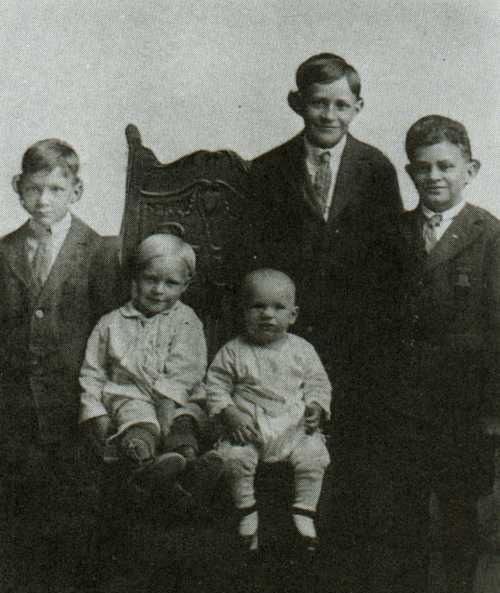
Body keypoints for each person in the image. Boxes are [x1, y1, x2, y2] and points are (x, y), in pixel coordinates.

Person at [364, 115, 500, 593]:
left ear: (471, 169)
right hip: (402, 404)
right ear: (409, 173)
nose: (435, 176)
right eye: (423, 168)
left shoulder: (490, 235)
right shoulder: (392, 234)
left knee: (460, 518)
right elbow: (376, 321)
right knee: (404, 516)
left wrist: (493, 411)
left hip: (462, 407)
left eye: (446, 166)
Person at [0, 138, 121, 593]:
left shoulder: (98, 251)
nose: (43, 200)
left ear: (77, 191)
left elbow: (110, 328)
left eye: (55, 189)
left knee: (75, 493)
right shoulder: (5, 250)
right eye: (34, 189)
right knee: (23, 490)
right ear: (18, 188)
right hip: (16, 401)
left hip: (75, 398)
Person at [249, 52, 402, 379]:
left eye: (341, 105)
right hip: (288, 330)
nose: (329, 116)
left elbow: (392, 257)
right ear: (297, 103)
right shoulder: (267, 169)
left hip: (358, 330)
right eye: (318, 103)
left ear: (357, 107)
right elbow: (254, 252)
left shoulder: (377, 170)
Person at [79, 233, 223, 507]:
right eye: (151, 279)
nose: (159, 290)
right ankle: (145, 468)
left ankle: (189, 468)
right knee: (139, 428)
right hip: (130, 396)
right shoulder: (111, 323)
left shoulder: (186, 321)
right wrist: (94, 411)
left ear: (185, 285)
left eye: (171, 283)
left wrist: (167, 401)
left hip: (178, 398)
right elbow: (92, 372)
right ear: (135, 278)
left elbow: (187, 367)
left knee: (184, 423)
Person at [206, 269, 331, 553]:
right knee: (234, 459)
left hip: (293, 428)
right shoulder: (233, 351)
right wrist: (230, 413)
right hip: (248, 429)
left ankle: (304, 510)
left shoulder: (302, 350)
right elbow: (215, 386)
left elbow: (318, 383)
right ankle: (246, 510)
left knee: (315, 455)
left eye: (278, 308)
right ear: (243, 312)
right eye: (257, 306)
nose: (267, 315)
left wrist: (316, 405)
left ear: (293, 315)